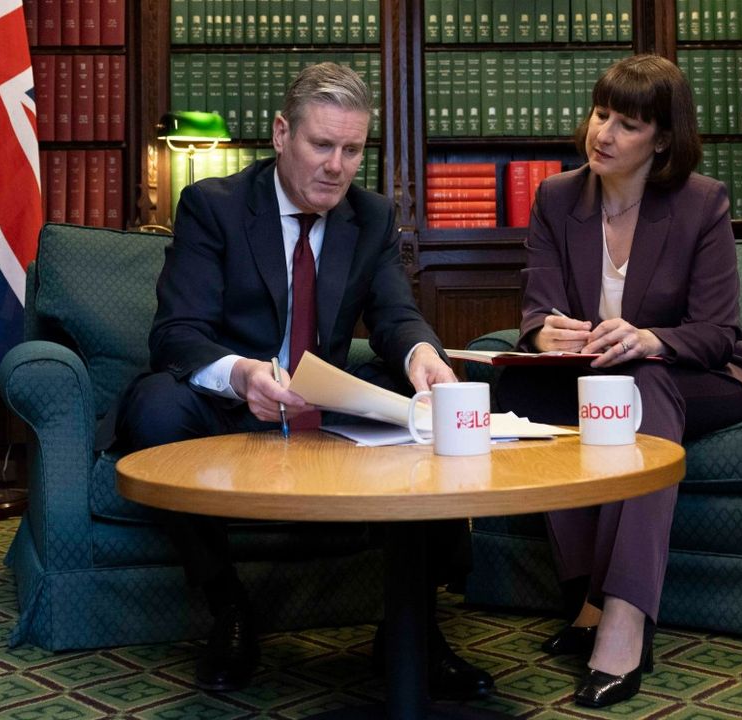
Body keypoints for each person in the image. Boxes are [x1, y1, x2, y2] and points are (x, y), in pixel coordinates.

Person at [115, 62, 492, 699]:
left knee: (439, 406)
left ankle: (412, 626)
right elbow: (175, 333)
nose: (337, 166)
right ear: (281, 133)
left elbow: (395, 314)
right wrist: (240, 374)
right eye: (322, 145)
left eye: (352, 150)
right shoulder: (215, 206)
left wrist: (423, 356)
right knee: (153, 407)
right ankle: (229, 609)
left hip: (325, 397)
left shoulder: (370, 216)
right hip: (237, 400)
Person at [495, 54, 742, 708]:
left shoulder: (700, 203)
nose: (603, 134)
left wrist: (650, 338)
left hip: (703, 375)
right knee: (524, 391)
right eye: (601, 114)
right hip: (601, 379)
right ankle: (583, 598)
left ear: (663, 139)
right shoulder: (555, 197)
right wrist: (545, 335)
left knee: (641, 383)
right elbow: (536, 309)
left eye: (627, 124)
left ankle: (623, 617)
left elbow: (715, 331)